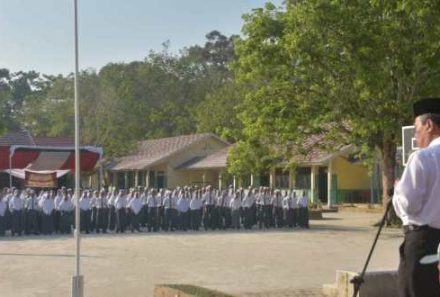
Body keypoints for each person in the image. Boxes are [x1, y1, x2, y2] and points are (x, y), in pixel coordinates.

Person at [393, 97, 440, 297]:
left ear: (429, 125)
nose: (415, 134)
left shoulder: (423, 157)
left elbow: (408, 205)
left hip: (423, 242)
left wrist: (397, 190)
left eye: (416, 127)